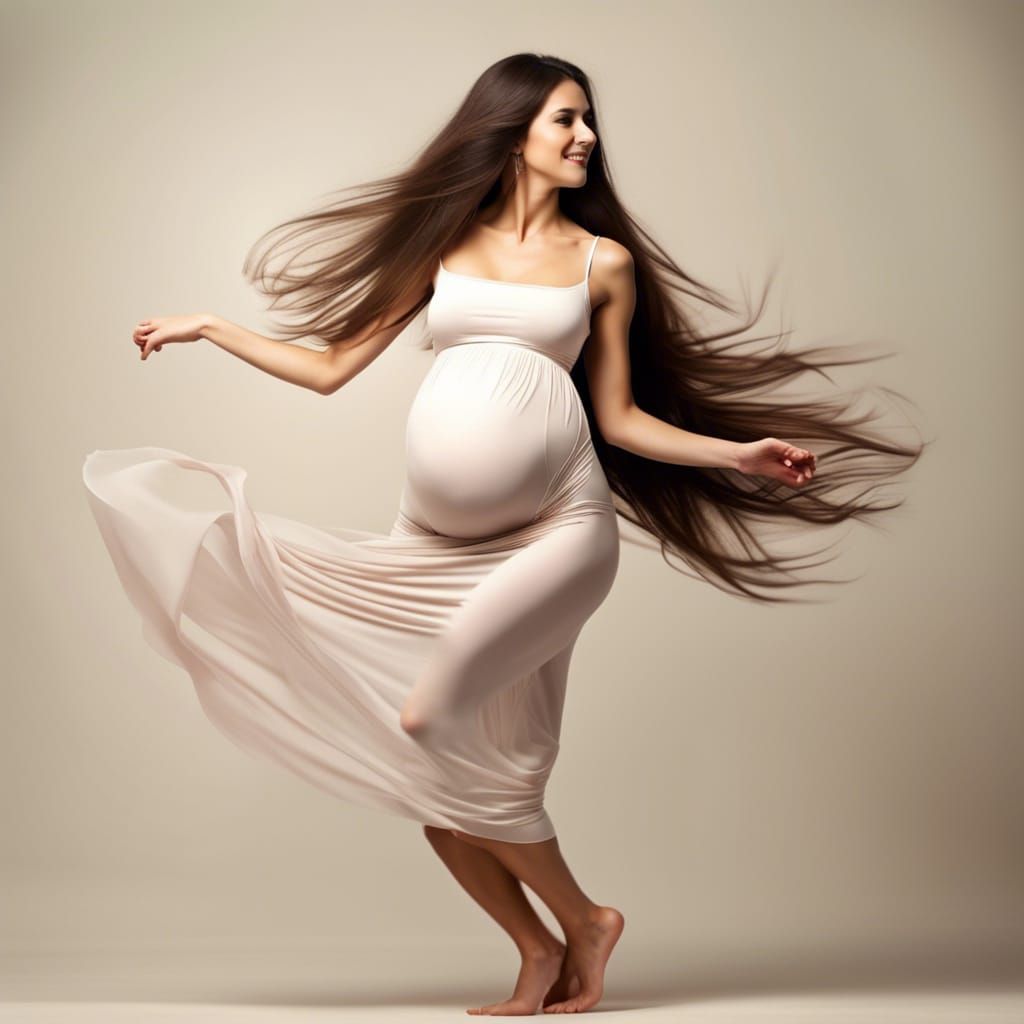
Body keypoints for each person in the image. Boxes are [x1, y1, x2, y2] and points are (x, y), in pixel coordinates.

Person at [82, 54, 923, 1016]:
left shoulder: (602, 264)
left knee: (427, 723)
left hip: (557, 536)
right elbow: (327, 370)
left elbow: (619, 420)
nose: (586, 138)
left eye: (590, 121)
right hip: (429, 552)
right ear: (512, 127)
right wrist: (211, 327)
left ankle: (586, 918)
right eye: (566, 119)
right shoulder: (442, 247)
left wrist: (734, 455)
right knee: (445, 794)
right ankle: (538, 946)